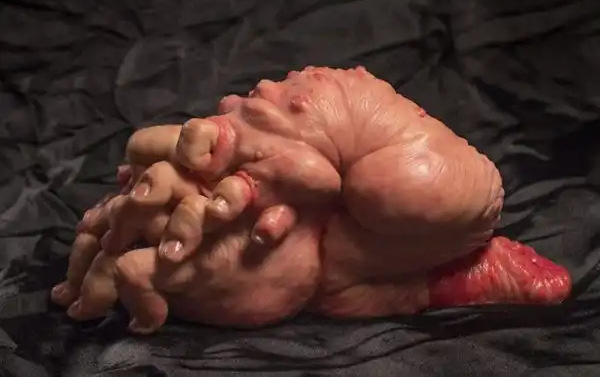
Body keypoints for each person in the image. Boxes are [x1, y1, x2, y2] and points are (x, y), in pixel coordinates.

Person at [50, 66, 571, 334]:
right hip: (328, 207)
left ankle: (436, 279)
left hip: (380, 162)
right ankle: (433, 284)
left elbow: (312, 178)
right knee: (323, 268)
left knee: (395, 190)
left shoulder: (349, 169)